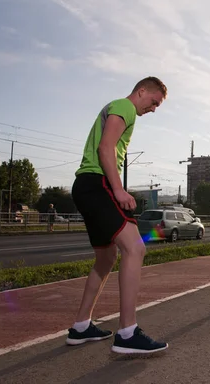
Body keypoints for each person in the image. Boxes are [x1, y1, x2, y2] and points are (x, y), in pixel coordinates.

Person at [66, 77, 169, 354]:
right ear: (142, 91)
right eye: (154, 102)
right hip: (98, 183)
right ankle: (127, 332)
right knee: (135, 247)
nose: (154, 108)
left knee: (107, 257)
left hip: (86, 185)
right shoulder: (124, 106)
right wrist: (118, 190)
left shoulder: (118, 108)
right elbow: (105, 147)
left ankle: (81, 326)